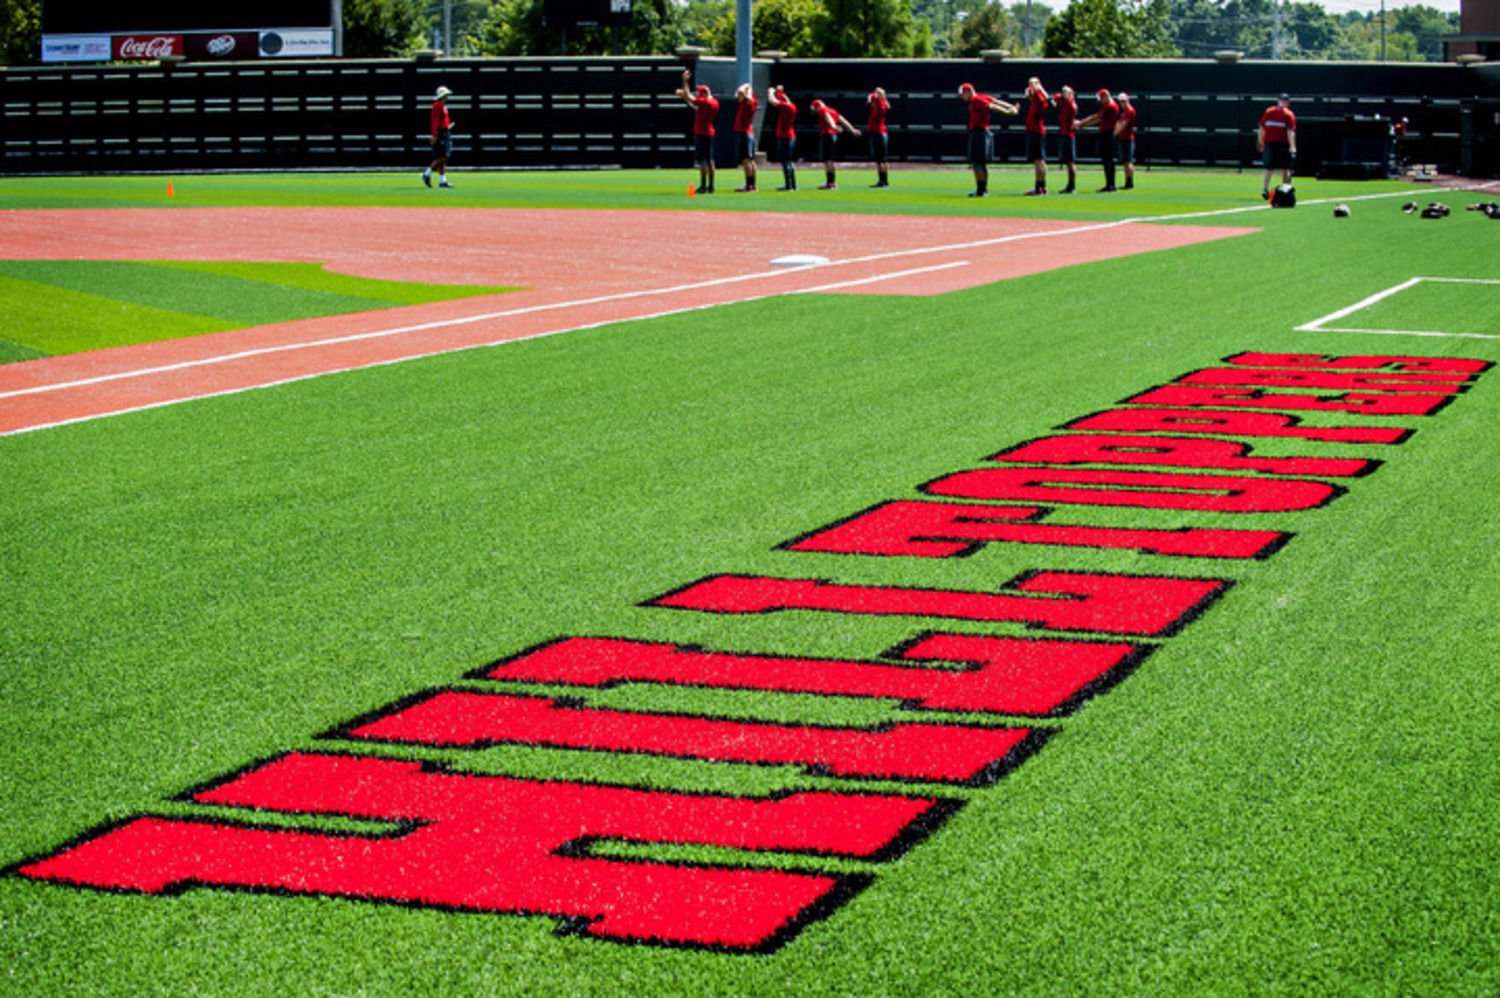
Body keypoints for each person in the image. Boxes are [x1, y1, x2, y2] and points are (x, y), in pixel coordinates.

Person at [957, 82, 1018, 198]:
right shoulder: (982, 96)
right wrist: (1010, 106)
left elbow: (992, 106)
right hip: (983, 133)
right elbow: (996, 101)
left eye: (963, 94)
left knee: (977, 163)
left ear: (968, 91)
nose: (962, 97)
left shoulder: (975, 100)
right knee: (982, 163)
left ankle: (980, 190)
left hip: (979, 133)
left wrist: (1008, 112)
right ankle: (983, 189)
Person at [677, 69, 719, 195]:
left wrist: (684, 81)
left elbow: (690, 97)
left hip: (702, 133)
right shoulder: (714, 102)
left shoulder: (705, 102)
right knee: (710, 160)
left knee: (702, 161)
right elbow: (692, 102)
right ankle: (711, 186)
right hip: (710, 132)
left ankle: (703, 185)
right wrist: (684, 95)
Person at [809, 98, 861, 190]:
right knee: (831, 160)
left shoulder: (822, 109)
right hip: (833, 137)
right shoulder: (832, 110)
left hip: (827, 136)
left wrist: (833, 126)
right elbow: (843, 120)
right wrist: (852, 129)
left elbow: (827, 116)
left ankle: (830, 183)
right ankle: (832, 182)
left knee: (827, 160)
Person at [1076, 88, 1120, 192]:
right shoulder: (1109, 106)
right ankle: (1109, 184)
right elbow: (1097, 119)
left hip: (1108, 135)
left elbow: (1096, 117)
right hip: (1106, 134)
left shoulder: (1110, 106)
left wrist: (1082, 123)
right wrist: (1083, 124)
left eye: (1101, 98)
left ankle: (1111, 185)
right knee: (1106, 160)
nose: (1100, 100)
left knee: (1108, 160)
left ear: (1105, 96)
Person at [1257, 92, 1297, 200]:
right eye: (1282, 100)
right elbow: (1262, 128)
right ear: (1278, 101)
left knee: (1286, 167)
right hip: (1270, 143)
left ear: (1288, 102)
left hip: (1283, 143)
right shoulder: (1269, 112)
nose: (1283, 102)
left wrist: (1292, 146)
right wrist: (1260, 141)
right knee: (1269, 167)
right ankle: (1265, 189)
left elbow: (1290, 132)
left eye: (1285, 100)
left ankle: (1285, 189)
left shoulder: (1288, 114)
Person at [1021, 76, 1051, 196]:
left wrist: (1035, 83)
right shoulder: (1035, 102)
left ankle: (1039, 187)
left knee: (1038, 161)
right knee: (1040, 161)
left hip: (1036, 132)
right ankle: (1042, 187)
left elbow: (1038, 89)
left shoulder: (1038, 99)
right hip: (1036, 132)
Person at [422, 86, 455, 188]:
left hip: (445, 131)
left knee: (443, 158)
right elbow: (435, 121)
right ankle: (427, 173)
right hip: (441, 133)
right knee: (443, 156)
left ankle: (442, 181)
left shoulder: (442, 106)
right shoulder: (437, 106)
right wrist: (435, 134)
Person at [768, 85, 799, 191]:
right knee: (789, 161)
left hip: (785, 137)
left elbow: (772, 101)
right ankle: (793, 184)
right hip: (789, 136)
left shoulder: (787, 107)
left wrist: (771, 92)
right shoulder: (792, 106)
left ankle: (788, 185)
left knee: (785, 161)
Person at [732, 83, 758, 192]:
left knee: (746, 160)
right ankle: (752, 184)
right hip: (748, 133)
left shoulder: (749, 102)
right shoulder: (748, 102)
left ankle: (749, 185)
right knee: (751, 160)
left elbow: (741, 91)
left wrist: (746, 86)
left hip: (744, 133)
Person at [1055, 84, 1079, 194]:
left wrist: (1066, 95)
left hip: (1069, 135)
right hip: (1064, 134)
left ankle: (1072, 186)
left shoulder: (1071, 104)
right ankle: (1069, 185)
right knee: (1067, 162)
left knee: (1070, 162)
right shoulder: (1064, 103)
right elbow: (1055, 99)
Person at [866, 86, 891, 188]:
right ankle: (884, 180)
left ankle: (882, 180)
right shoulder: (881, 103)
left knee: (880, 159)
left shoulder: (880, 102)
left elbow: (870, 98)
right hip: (880, 133)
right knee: (882, 159)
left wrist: (874, 95)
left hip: (878, 133)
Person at [1115, 91, 1138, 190]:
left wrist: (1113, 134)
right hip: (1122, 138)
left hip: (1128, 139)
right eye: (1120, 101)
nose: (1122, 103)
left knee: (1128, 161)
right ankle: (1127, 182)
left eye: (1124, 101)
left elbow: (1123, 124)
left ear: (1127, 100)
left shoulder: (1130, 111)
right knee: (1125, 162)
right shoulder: (1124, 112)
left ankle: (1130, 182)